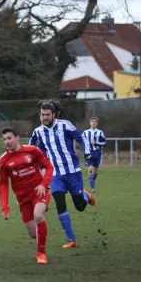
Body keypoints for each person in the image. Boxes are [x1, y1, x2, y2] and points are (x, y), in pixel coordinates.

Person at [29, 100, 96, 249]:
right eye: (42, 115)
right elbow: (32, 149)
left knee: (79, 206)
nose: (44, 117)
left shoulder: (65, 125)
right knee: (60, 203)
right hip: (55, 174)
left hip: (73, 172)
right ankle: (71, 240)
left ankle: (85, 196)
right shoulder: (38, 131)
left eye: (47, 114)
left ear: (54, 114)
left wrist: (87, 156)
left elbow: (82, 138)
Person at [0, 128, 54, 265]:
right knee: (33, 234)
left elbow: (49, 167)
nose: (7, 141)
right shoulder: (3, 160)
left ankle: (41, 253)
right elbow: (3, 184)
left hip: (39, 191)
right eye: (4, 139)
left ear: (17, 137)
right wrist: (5, 207)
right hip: (22, 198)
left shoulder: (32, 150)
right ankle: (40, 234)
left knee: (38, 215)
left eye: (9, 138)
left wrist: (44, 184)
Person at [82, 117, 107, 192]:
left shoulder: (100, 132)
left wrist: (96, 143)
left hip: (97, 153)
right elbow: (81, 141)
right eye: (92, 121)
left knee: (94, 171)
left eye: (95, 122)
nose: (93, 123)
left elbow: (105, 142)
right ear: (90, 123)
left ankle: (93, 176)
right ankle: (93, 188)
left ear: (97, 123)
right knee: (90, 170)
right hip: (88, 153)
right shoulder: (85, 132)